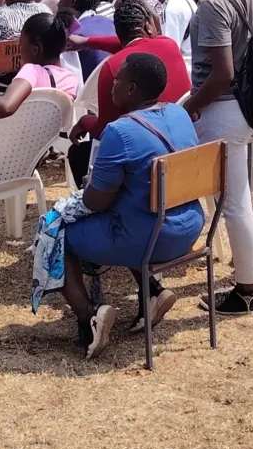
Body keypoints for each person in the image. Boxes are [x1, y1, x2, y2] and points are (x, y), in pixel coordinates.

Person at [62, 50, 207, 357]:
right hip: (190, 227)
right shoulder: (180, 114)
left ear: (131, 90)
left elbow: (96, 201)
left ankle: (89, 315)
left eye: (117, 80)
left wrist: (84, 193)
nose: (112, 85)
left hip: (149, 238)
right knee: (131, 209)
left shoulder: (119, 131)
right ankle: (153, 292)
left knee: (56, 234)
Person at [179, 0, 253, 314]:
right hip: (251, 105)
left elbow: (222, 74)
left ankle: (247, 290)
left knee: (231, 201)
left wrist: (190, 107)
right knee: (235, 194)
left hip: (223, 107)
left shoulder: (213, 3)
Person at [69, 0, 191, 176]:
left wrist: (85, 121)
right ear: (148, 26)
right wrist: (88, 42)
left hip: (145, 153)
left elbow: (105, 130)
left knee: (78, 154)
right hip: (182, 141)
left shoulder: (114, 67)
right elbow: (134, 44)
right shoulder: (169, 45)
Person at [0, 9, 81, 116]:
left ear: (35, 49)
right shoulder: (71, 79)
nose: (19, 46)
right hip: (49, 140)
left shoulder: (32, 71)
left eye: (21, 41)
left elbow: (5, 106)